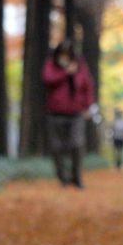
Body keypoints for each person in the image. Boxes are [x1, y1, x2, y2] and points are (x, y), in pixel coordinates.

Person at [42, 39, 95, 188]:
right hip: (55, 113)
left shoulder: (80, 66)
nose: (64, 57)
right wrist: (65, 73)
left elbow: (88, 86)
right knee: (57, 147)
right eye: (61, 54)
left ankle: (76, 176)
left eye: (67, 54)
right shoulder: (51, 64)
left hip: (76, 113)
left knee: (77, 144)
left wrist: (88, 106)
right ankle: (62, 177)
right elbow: (47, 79)